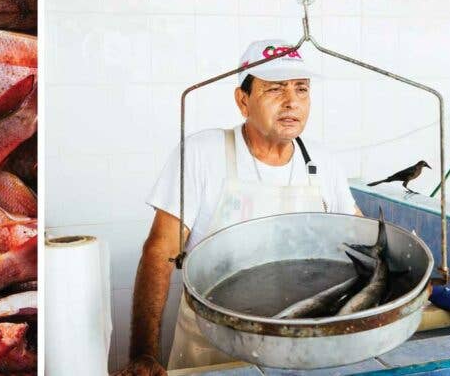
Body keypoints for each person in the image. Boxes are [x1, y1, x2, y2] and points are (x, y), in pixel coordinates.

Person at [114, 39, 362, 375]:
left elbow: (360, 242)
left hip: (304, 351)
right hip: (212, 349)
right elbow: (160, 251)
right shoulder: (203, 153)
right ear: (242, 100)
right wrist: (144, 353)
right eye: (275, 89)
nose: (292, 102)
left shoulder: (324, 162)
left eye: (301, 89)